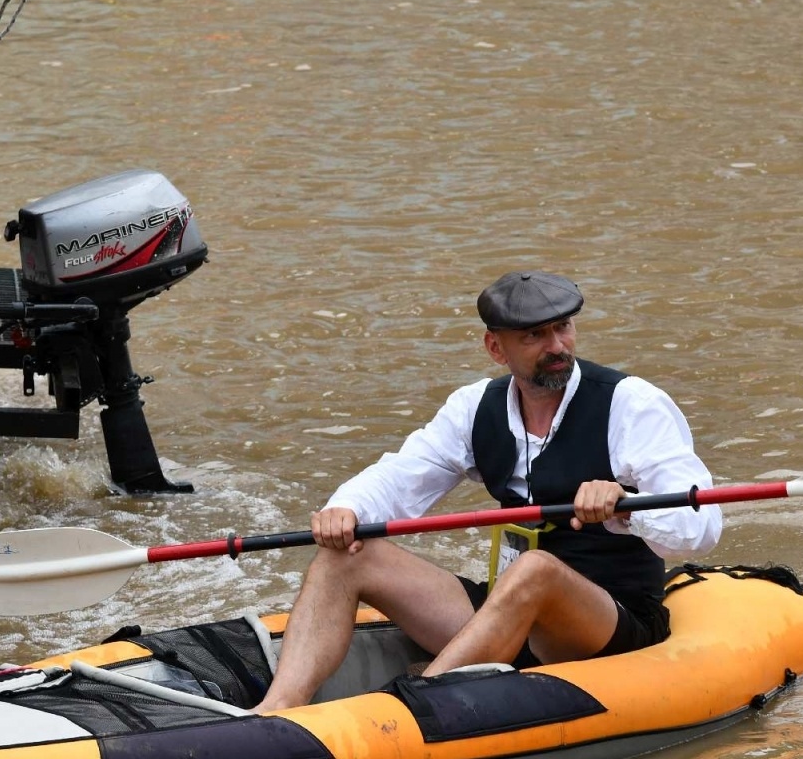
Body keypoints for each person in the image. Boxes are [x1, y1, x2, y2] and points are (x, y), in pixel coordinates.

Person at [254, 271, 722, 713]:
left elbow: (701, 528)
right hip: (511, 611)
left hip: (611, 622)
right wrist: (345, 508)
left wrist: (625, 507)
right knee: (347, 554)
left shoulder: (632, 404)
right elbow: (401, 476)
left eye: (563, 328)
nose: (557, 346)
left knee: (536, 569)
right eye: (534, 336)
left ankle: (415, 703)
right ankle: (277, 711)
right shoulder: (474, 407)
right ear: (496, 348)